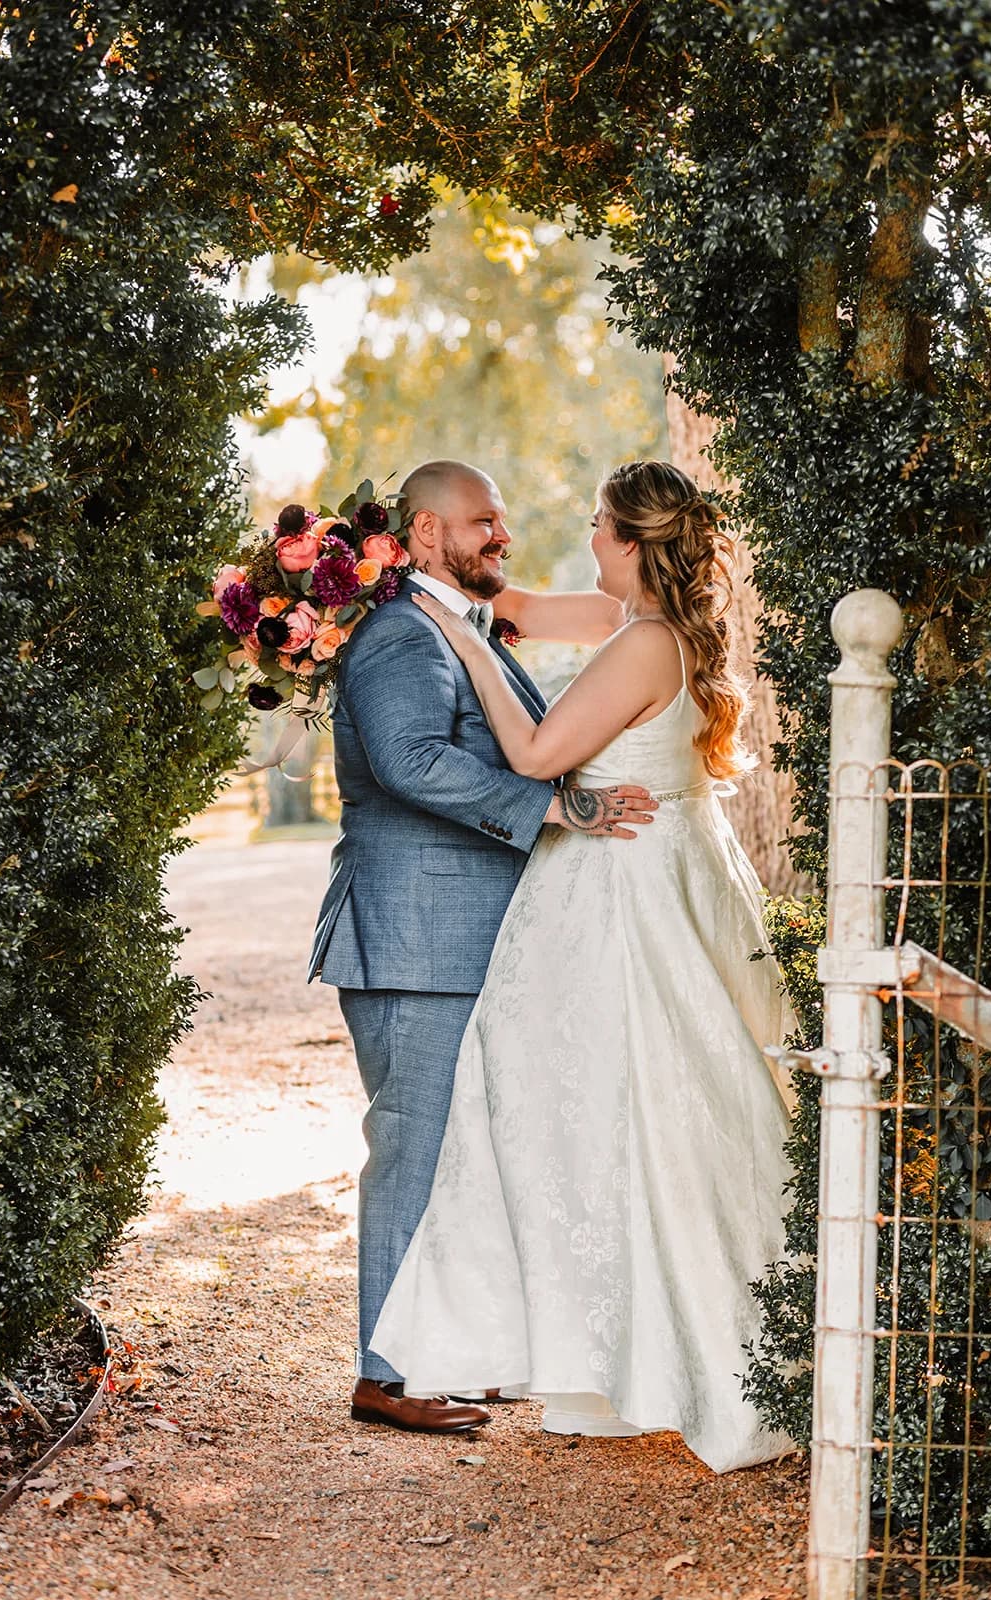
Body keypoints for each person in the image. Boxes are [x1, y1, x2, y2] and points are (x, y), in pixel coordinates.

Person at [369, 459, 797, 1472]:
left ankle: (674, 1348)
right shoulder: (640, 625)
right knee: (612, 1116)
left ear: (627, 544)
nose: (584, 541)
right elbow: (513, 601)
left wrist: (466, 647)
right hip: (670, 873)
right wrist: (400, 567)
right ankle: (615, 1346)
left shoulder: (641, 642)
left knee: (629, 1109)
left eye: (596, 528)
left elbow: (529, 753)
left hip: (620, 898)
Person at [307, 459, 657, 1435]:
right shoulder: (398, 637)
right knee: (414, 1151)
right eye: (481, 523)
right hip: (414, 943)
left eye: (500, 522)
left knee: (470, 1152)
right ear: (423, 535)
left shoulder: (460, 630)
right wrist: (556, 804)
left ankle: (448, 1350)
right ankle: (386, 1373)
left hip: (464, 943)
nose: (500, 537)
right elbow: (411, 763)